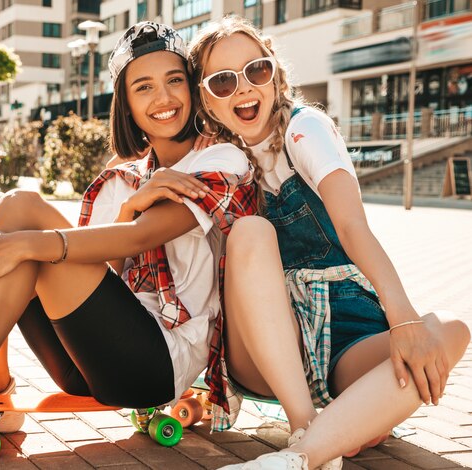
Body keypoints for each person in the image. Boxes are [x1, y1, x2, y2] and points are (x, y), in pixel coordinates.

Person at [0, 22, 258, 470]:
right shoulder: (125, 174)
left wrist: (23, 243)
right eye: (144, 87)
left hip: (156, 366)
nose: (164, 98)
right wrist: (131, 204)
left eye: (175, 80)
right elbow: (108, 268)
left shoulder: (219, 158)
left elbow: (140, 238)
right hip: (89, 359)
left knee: (21, 212)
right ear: (127, 105)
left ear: (192, 90)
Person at [187, 16, 471, 470]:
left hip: (346, 331)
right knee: (251, 231)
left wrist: (403, 320)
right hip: (268, 348)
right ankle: (311, 427)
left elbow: (352, 226)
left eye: (255, 70)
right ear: (207, 99)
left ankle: (304, 455)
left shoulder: (305, 129)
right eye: (222, 81)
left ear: (274, 73)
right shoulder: (219, 159)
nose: (242, 87)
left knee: (451, 330)